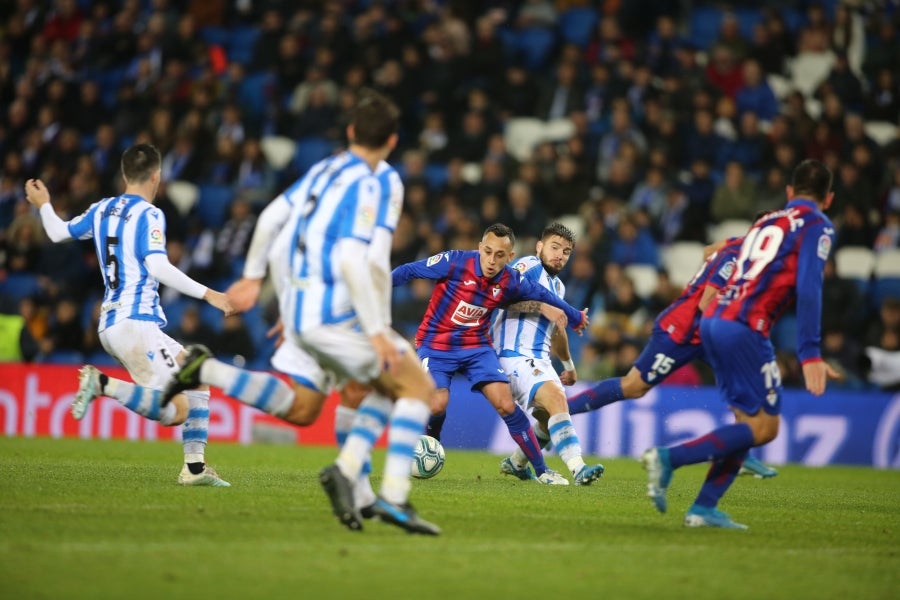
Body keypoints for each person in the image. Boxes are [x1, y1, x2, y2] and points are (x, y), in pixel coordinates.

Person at [162, 93, 407, 517]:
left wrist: (257, 279)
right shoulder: (381, 183)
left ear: (350, 132)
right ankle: (376, 492)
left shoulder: (324, 169)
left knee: (304, 408)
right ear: (393, 140)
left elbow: (272, 216)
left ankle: (207, 370)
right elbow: (363, 261)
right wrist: (378, 328)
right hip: (338, 305)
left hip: (301, 297)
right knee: (403, 384)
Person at [642, 159, 841, 529]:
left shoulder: (768, 221)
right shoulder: (817, 225)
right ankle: (670, 459)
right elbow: (810, 286)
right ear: (828, 199)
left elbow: (740, 246)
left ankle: (703, 509)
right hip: (747, 325)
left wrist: (721, 244)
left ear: (789, 193)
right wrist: (810, 352)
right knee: (766, 427)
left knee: (750, 420)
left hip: (716, 319)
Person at [24, 144, 233, 486]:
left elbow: (57, 232)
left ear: (124, 175)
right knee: (177, 410)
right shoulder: (150, 214)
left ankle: (194, 468)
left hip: (112, 322)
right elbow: (157, 266)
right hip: (136, 321)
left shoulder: (102, 209)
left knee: (196, 377)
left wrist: (44, 205)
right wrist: (209, 294)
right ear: (157, 176)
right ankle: (103, 384)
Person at [564, 234, 777, 479]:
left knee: (739, 380)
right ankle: (561, 411)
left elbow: (708, 250)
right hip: (681, 330)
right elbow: (706, 303)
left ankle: (740, 455)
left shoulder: (736, 246)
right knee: (634, 386)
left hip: (706, 334)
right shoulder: (734, 255)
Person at [392, 223, 589, 485]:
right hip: (436, 346)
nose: (491, 260)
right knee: (437, 404)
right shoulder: (454, 261)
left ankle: (542, 471)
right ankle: (433, 441)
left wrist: (575, 316)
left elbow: (544, 295)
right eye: (487, 252)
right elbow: (409, 271)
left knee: (506, 404)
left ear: (510, 258)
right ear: (479, 249)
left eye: (499, 255)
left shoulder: (511, 278)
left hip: (476, 347)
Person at [491, 223, 606, 485]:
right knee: (555, 399)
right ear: (539, 247)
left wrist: (569, 364)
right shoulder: (528, 265)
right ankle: (578, 469)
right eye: (554, 247)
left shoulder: (559, 288)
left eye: (566, 252)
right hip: (514, 354)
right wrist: (542, 307)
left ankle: (517, 463)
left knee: (548, 418)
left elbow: (558, 329)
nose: (560, 255)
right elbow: (498, 296)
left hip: (539, 359)